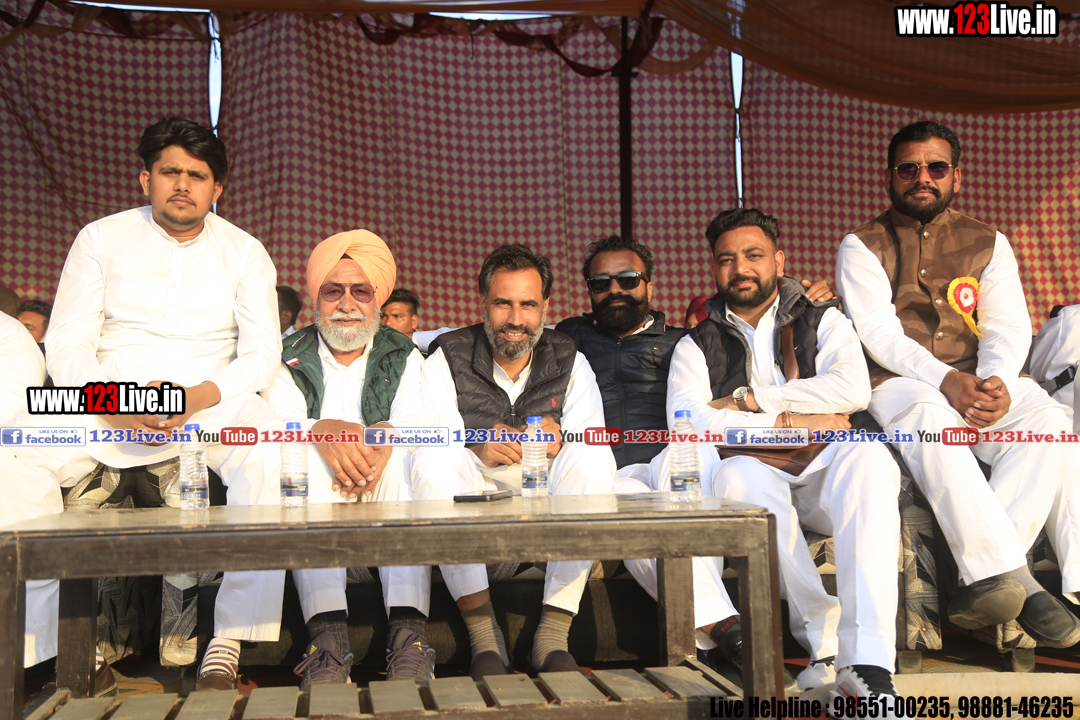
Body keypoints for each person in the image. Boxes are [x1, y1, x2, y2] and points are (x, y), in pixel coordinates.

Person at [12, 117, 288, 691]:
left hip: (206, 404)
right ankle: (52, 652)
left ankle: (228, 642)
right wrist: (111, 401)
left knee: (270, 454)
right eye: (170, 172)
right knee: (13, 452)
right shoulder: (100, 238)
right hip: (105, 401)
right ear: (146, 179)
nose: (182, 185)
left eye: (197, 175)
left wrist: (195, 397)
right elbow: (67, 343)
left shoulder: (245, 251)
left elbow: (262, 355)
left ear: (217, 188)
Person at [835, 120, 1080, 648]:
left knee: (1049, 420)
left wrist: (995, 382)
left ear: (956, 177)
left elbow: (1007, 325)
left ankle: (987, 577)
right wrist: (946, 379)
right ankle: (1020, 581)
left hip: (977, 374)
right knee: (928, 417)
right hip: (901, 380)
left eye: (936, 167)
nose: (922, 177)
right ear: (890, 177)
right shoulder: (862, 245)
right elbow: (878, 334)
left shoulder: (989, 242)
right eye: (908, 168)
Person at [669, 207, 903, 700]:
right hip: (755, 468)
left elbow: (851, 389)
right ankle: (825, 645)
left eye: (753, 255)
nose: (740, 268)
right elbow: (687, 421)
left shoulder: (823, 317)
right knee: (736, 478)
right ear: (714, 268)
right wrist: (789, 421)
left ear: (778, 260)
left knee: (871, 458)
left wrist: (749, 400)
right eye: (727, 259)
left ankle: (869, 664)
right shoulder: (696, 344)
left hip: (827, 466)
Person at [415, 244, 615, 678]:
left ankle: (553, 636)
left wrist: (562, 438)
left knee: (593, 456)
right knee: (433, 461)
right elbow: (431, 435)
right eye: (503, 303)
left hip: (545, 486)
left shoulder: (569, 357)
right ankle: (485, 639)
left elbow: (591, 434)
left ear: (546, 306)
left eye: (528, 305)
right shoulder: (448, 355)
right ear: (483, 303)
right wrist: (476, 445)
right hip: (475, 483)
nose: (516, 319)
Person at [263, 230, 440, 685]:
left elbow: (413, 419)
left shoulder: (403, 353)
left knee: (406, 460)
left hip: (383, 478)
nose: (347, 304)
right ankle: (328, 641)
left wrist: (381, 441)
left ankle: (409, 638)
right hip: (321, 480)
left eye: (360, 291)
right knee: (301, 460)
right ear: (316, 298)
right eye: (333, 291)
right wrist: (320, 430)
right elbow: (281, 419)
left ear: (376, 300)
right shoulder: (284, 355)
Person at [0, 313, 67, 687]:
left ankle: (34, 655)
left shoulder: (7, 333)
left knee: (12, 469)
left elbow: (11, 410)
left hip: (24, 440)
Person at [1029, 305, 1080, 407]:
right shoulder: (1070, 318)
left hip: (1053, 410)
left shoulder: (1070, 317)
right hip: (1056, 410)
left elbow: (1036, 371)